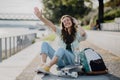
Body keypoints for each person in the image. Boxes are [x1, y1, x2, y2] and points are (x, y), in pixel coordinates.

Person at [34, 7, 87, 73]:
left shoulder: (77, 34)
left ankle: (48, 67)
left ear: (72, 22)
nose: (66, 22)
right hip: (60, 61)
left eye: (68, 20)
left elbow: (83, 34)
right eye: (64, 21)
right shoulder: (61, 33)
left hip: (72, 60)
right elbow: (51, 25)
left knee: (61, 49)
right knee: (44, 44)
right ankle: (43, 64)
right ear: (63, 24)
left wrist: (77, 23)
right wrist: (41, 17)